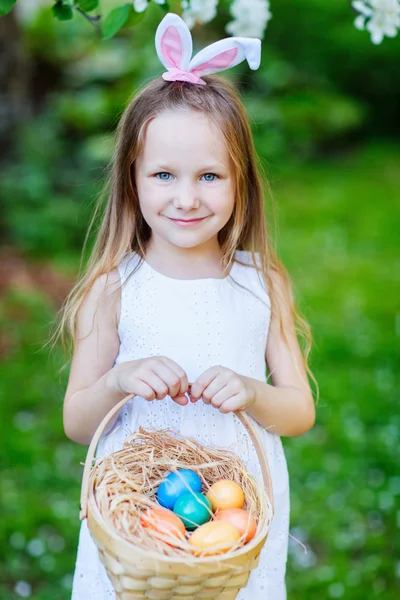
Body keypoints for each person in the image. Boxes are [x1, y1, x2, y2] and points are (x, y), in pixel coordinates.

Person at [60, 12, 317, 600]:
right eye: (164, 175)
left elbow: (299, 412)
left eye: (208, 176)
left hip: (236, 526)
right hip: (138, 525)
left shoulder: (261, 283)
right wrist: (120, 379)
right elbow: (77, 423)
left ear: (240, 182)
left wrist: (254, 393)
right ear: (134, 179)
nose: (185, 198)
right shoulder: (114, 288)